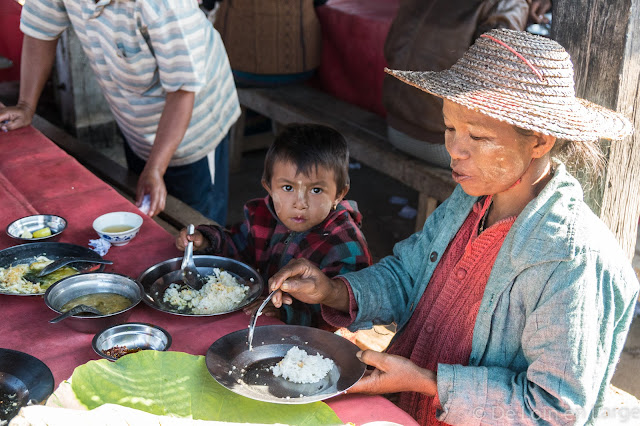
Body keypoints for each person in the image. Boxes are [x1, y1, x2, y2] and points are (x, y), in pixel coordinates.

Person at [268, 29, 638, 425]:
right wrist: (334, 291)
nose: (455, 151)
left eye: (478, 136)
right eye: (449, 129)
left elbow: (554, 410)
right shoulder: (470, 199)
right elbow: (408, 275)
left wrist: (429, 383)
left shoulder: (572, 261)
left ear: (540, 141)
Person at [0, 0, 240, 225]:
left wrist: (156, 167)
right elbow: (40, 29)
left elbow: (183, 90)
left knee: (196, 229)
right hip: (136, 118)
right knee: (151, 215)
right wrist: (26, 105)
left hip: (195, 127)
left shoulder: (166, 6)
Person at [175, 123, 372, 327]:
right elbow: (237, 247)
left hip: (309, 344)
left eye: (316, 190)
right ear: (268, 186)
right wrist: (206, 241)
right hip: (256, 316)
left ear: (339, 194)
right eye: (288, 187)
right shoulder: (262, 215)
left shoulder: (345, 246)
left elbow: (344, 312)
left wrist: (286, 314)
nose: (300, 203)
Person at [382, 0, 531, 169]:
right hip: (441, 145)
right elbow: (496, 82)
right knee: (535, 149)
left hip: (396, 128)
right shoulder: (506, 3)